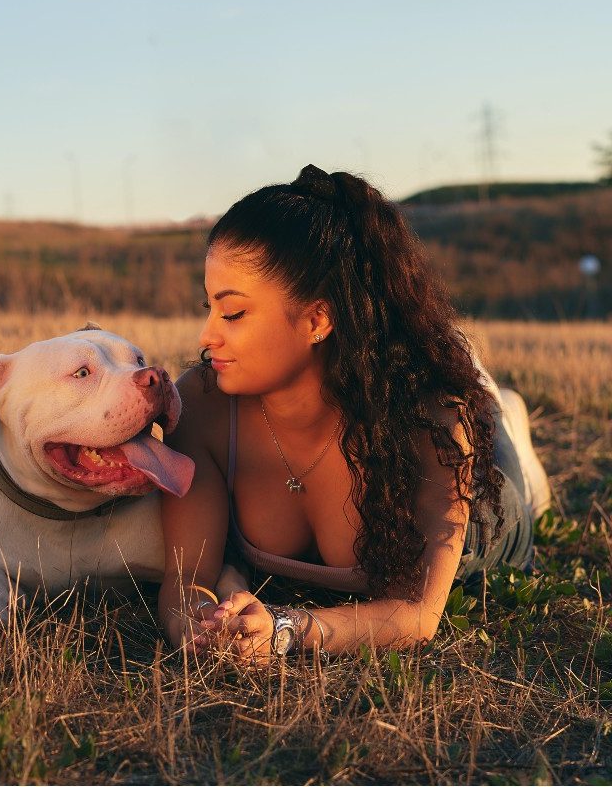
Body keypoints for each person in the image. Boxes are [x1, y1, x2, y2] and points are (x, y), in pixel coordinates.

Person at [158, 165, 551, 663]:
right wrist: (197, 624)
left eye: (232, 313)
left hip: (486, 524)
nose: (206, 336)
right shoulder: (204, 405)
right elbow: (186, 579)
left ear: (317, 319)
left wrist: (287, 629)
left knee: (514, 471)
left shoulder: (429, 420)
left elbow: (418, 615)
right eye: (208, 308)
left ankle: (503, 416)